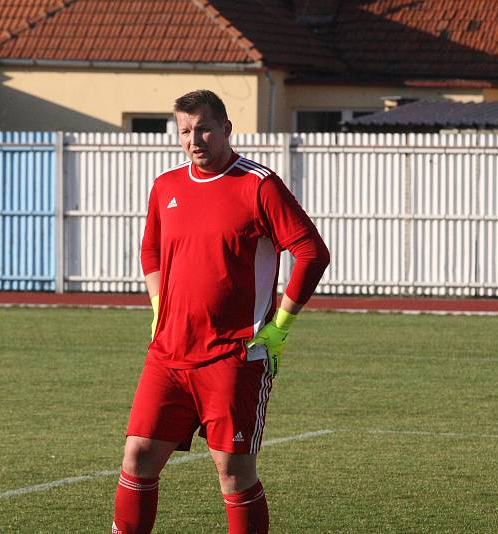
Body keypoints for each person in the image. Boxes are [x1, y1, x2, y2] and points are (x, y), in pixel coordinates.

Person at [112, 89, 330, 534]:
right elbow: (150, 250)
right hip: (168, 354)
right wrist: (158, 305)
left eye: (205, 128)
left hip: (233, 356)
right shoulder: (166, 186)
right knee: (138, 456)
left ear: (227, 129)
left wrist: (280, 327)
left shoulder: (258, 184)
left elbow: (312, 253)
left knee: (232, 471)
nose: (196, 140)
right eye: (186, 131)